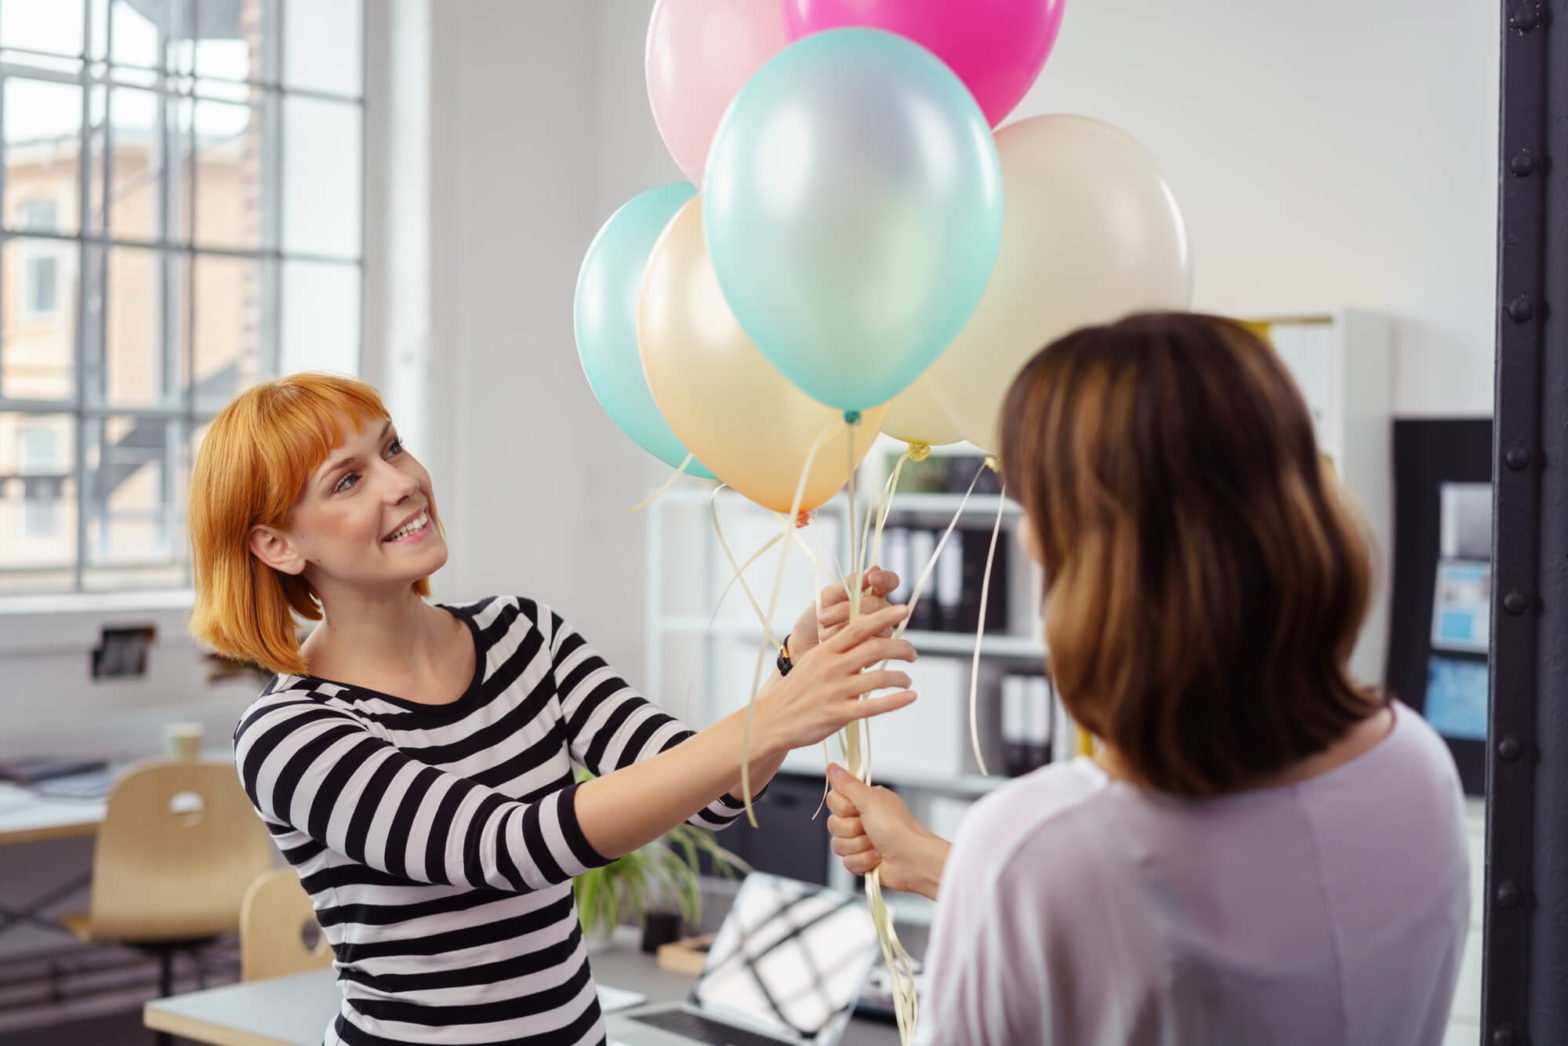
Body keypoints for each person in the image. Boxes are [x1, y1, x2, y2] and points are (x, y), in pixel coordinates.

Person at [188, 372, 916, 1046]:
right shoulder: (290, 734)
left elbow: (711, 794)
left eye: (393, 448)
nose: (403, 482)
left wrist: (790, 666)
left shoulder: (521, 633)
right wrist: (781, 712)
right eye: (348, 480)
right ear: (278, 545)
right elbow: (510, 849)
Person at [824, 312, 1470, 1045]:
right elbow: (1213, 923)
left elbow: (1108, 897)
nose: (1030, 537)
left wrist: (980, 875)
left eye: (1037, 507)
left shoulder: (1035, 847)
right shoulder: (1416, 765)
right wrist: (951, 869)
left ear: (1095, 551)